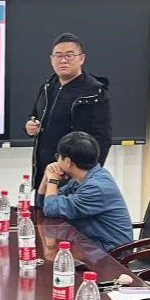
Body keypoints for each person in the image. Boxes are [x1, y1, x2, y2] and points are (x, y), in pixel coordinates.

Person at [26, 32, 113, 200]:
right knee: (42, 214)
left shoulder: (94, 92)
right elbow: (34, 116)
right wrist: (30, 127)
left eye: (69, 55)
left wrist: (87, 177)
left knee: (64, 216)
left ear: (81, 58)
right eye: (58, 56)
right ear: (51, 59)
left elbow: (103, 137)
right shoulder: (48, 87)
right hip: (44, 173)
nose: (63, 60)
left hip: (74, 176)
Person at [40, 130, 133, 251]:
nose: (56, 161)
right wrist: (46, 175)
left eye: (58, 156)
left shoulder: (95, 187)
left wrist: (52, 179)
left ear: (68, 162)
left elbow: (51, 209)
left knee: (52, 254)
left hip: (110, 252)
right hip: (89, 243)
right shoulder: (82, 178)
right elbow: (44, 203)